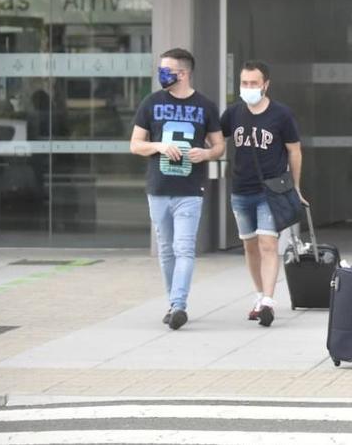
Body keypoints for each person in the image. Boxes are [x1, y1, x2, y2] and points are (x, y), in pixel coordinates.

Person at [129, 48, 224, 331]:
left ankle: (179, 305)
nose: (161, 75)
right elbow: (135, 144)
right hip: (158, 188)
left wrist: (206, 154)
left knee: (184, 248)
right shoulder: (151, 103)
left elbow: (219, 145)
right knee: (167, 249)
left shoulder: (205, 106)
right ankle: (173, 304)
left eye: (166, 70)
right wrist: (158, 146)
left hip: (190, 189)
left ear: (183, 73)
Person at [219, 60, 305, 327]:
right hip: (240, 190)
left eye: (254, 83)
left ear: (265, 84)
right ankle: (259, 295)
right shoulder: (233, 113)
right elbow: (216, 139)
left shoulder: (281, 114)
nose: (248, 87)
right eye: (244, 83)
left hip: (270, 191)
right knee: (250, 245)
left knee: (268, 244)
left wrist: (296, 186)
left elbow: (294, 151)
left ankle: (268, 300)